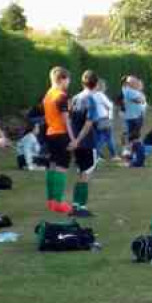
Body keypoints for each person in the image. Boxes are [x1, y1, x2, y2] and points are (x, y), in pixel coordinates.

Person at [67, 69, 102, 217]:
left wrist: (73, 139)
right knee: (85, 174)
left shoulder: (75, 98)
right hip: (86, 142)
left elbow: (69, 118)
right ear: (97, 84)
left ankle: (75, 205)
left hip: (76, 142)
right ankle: (80, 207)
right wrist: (79, 139)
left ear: (82, 82)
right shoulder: (92, 100)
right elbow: (88, 124)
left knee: (81, 173)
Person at [42, 66, 75, 213]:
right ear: (62, 79)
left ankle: (51, 201)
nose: (68, 83)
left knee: (52, 166)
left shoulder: (48, 94)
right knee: (62, 167)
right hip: (61, 134)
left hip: (50, 133)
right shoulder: (61, 96)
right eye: (68, 80)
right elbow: (66, 119)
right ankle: (59, 202)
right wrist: (73, 138)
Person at [122, 76, 147, 166]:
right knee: (133, 139)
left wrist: (141, 99)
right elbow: (140, 100)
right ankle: (136, 158)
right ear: (130, 83)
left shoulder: (133, 91)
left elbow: (142, 100)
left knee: (134, 139)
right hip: (132, 118)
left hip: (135, 118)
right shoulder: (129, 91)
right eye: (135, 82)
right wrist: (140, 98)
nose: (137, 84)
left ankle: (138, 160)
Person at [92, 79, 117, 161]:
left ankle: (97, 155)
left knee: (98, 138)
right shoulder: (100, 94)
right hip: (104, 119)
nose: (105, 88)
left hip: (95, 119)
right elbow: (110, 105)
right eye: (104, 86)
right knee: (108, 138)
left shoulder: (92, 95)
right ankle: (113, 155)